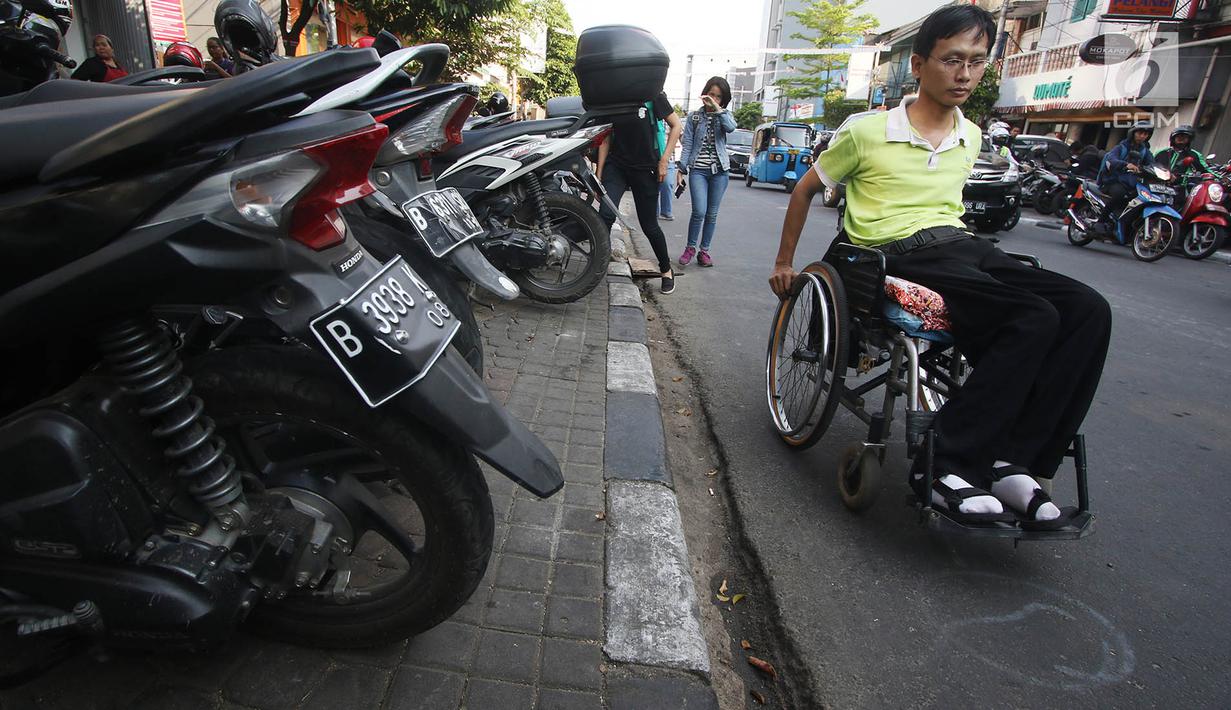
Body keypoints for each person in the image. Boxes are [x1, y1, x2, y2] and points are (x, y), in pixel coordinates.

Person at [768, 4, 1111, 527]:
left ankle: (1015, 463)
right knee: (1032, 317)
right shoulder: (867, 133)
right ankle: (947, 463)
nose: (965, 74)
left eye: (976, 62)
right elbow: (804, 190)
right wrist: (785, 262)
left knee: (1088, 309)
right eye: (953, 60)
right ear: (920, 63)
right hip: (893, 252)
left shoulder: (970, 136)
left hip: (961, 244)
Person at [597, 91, 683, 294]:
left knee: (649, 225)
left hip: (646, 168)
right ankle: (596, 265)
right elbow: (606, 138)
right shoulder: (613, 97)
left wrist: (663, 161)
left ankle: (665, 269)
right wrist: (599, 175)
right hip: (617, 166)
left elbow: (676, 125)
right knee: (605, 215)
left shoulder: (653, 95)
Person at [677, 77, 736, 267]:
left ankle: (704, 252)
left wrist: (718, 110)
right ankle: (690, 248)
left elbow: (731, 128)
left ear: (723, 99)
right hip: (698, 171)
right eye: (711, 94)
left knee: (712, 214)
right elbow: (687, 145)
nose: (714, 99)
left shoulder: (725, 115)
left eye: (718, 97)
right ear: (704, 94)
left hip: (720, 172)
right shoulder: (694, 117)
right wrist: (681, 169)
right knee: (699, 211)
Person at [1098, 120, 1155, 219]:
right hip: (1113, 181)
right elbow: (1111, 159)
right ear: (1133, 133)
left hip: (1131, 183)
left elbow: (1152, 164)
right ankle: (1101, 221)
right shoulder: (1121, 147)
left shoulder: (1145, 151)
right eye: (1140, 133)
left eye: (1145, 134)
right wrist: (1126, 165)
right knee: (1119, 194)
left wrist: (1166, 173)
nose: (1142, 136)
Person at [658, 127, 676, 221]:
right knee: (653, 186)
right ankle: (654, 212)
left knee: (667, 183)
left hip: (668, 159)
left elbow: (680, 136)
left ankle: (666, 211)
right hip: (652, 157)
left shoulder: (672, 121)